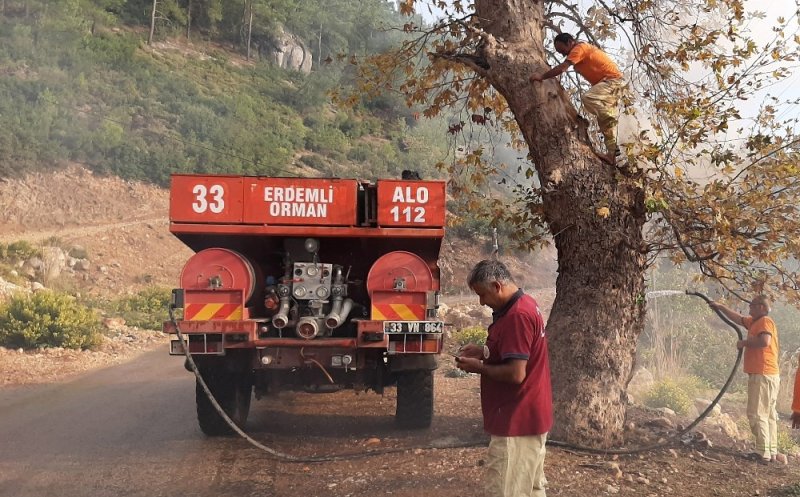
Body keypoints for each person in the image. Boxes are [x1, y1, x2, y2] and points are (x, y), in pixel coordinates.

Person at [456, 259, 552, 497]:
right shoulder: (524, 304)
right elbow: (516, 352)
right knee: (530, 489)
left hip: (516, 422)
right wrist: (484, 352)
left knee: (506, 490)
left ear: (497, 286)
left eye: (482, 294)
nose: (482, 302)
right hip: (530, 417)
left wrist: (479, 367)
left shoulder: (516, 317)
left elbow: (516, 373)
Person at [529, 33, 626, 164]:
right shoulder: (580, 51)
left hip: (613, 82)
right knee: (605, 124)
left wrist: (541, 77)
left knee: (588, 98)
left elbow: (562, 68)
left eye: (562, 50)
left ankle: (608, 115)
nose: (562, 54)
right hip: (611, 85)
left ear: (570, 42)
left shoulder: (579, 48)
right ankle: (612, 155)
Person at [709, 296, 780, 463]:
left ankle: (762, 453)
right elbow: (738, 319)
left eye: (752, 306)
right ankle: (770, 451)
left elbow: (764, 341)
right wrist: (720, 307)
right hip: (768, 374)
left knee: (757, 413)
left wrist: (744, 343)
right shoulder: (756, 322)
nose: (749, 309)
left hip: (762, 374)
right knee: (768, 414)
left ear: (762, 307)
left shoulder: (764, 321)